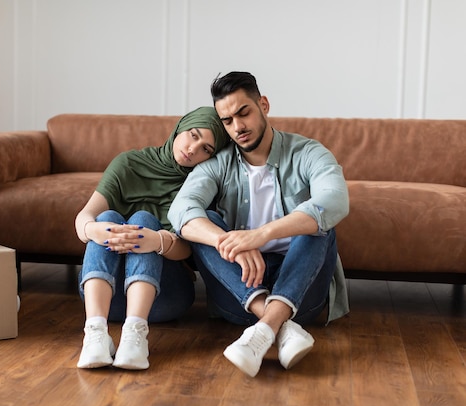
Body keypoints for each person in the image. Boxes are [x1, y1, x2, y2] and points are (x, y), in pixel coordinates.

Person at [168, 72, 350, 377]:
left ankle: (265, 328)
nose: (237, 127)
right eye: (227, 121)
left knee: (315, 222)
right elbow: (181, 210)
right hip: (241, 294)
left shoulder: (307, 152)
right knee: (206, 224)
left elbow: (335, 201)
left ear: (263, 105)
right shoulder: (219, 163)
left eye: (244, 113)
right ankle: (276, 326)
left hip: (302, 290)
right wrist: (230, 245)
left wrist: (260, 235)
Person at [74, 106, 230, 370]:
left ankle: (136, 334)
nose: (193, 149)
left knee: (144, 220)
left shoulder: (203, 182)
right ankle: (95, 334)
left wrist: (156, 241)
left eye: (206, 149)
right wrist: (96, 230)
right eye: (193, 135)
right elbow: (84, 218)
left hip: (165, 299)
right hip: (106, 299)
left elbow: (192, 251)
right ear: (180, 127)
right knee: (106, 215)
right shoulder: (128, 164)